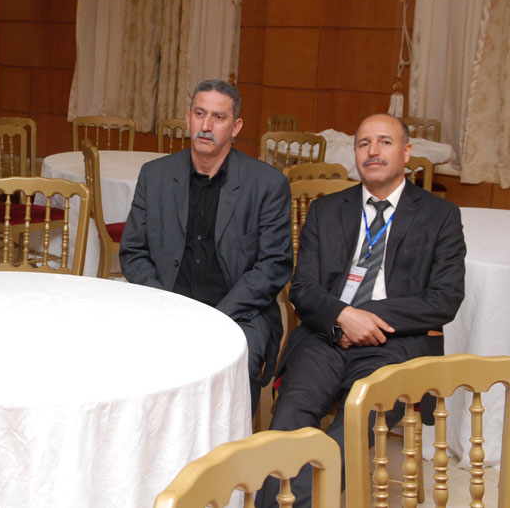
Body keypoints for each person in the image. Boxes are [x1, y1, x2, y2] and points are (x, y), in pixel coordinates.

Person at [257, 114, 466, 508]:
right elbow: (303, 288)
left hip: (394, 345)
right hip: (326, 336)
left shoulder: (440, 216)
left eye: (385, 142)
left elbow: (444, 299)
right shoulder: (326, 210)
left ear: (406, 151)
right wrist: (342, 316)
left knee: (354, 423)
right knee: (289, 416)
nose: (373, 151)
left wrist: (366, 316)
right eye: (363, 143)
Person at [119, 79, 293, 411]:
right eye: (200, 114)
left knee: (234, 365)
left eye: (218, 117)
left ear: (235, 127)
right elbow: (133, 252)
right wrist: (165, 303)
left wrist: (217, 317)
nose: (206, 125)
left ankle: (229, 445)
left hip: (238, 312)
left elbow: (273, 266)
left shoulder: (267, 185)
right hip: (165, 304)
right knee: (127, 359)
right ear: (188, 118)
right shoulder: (155, 175)